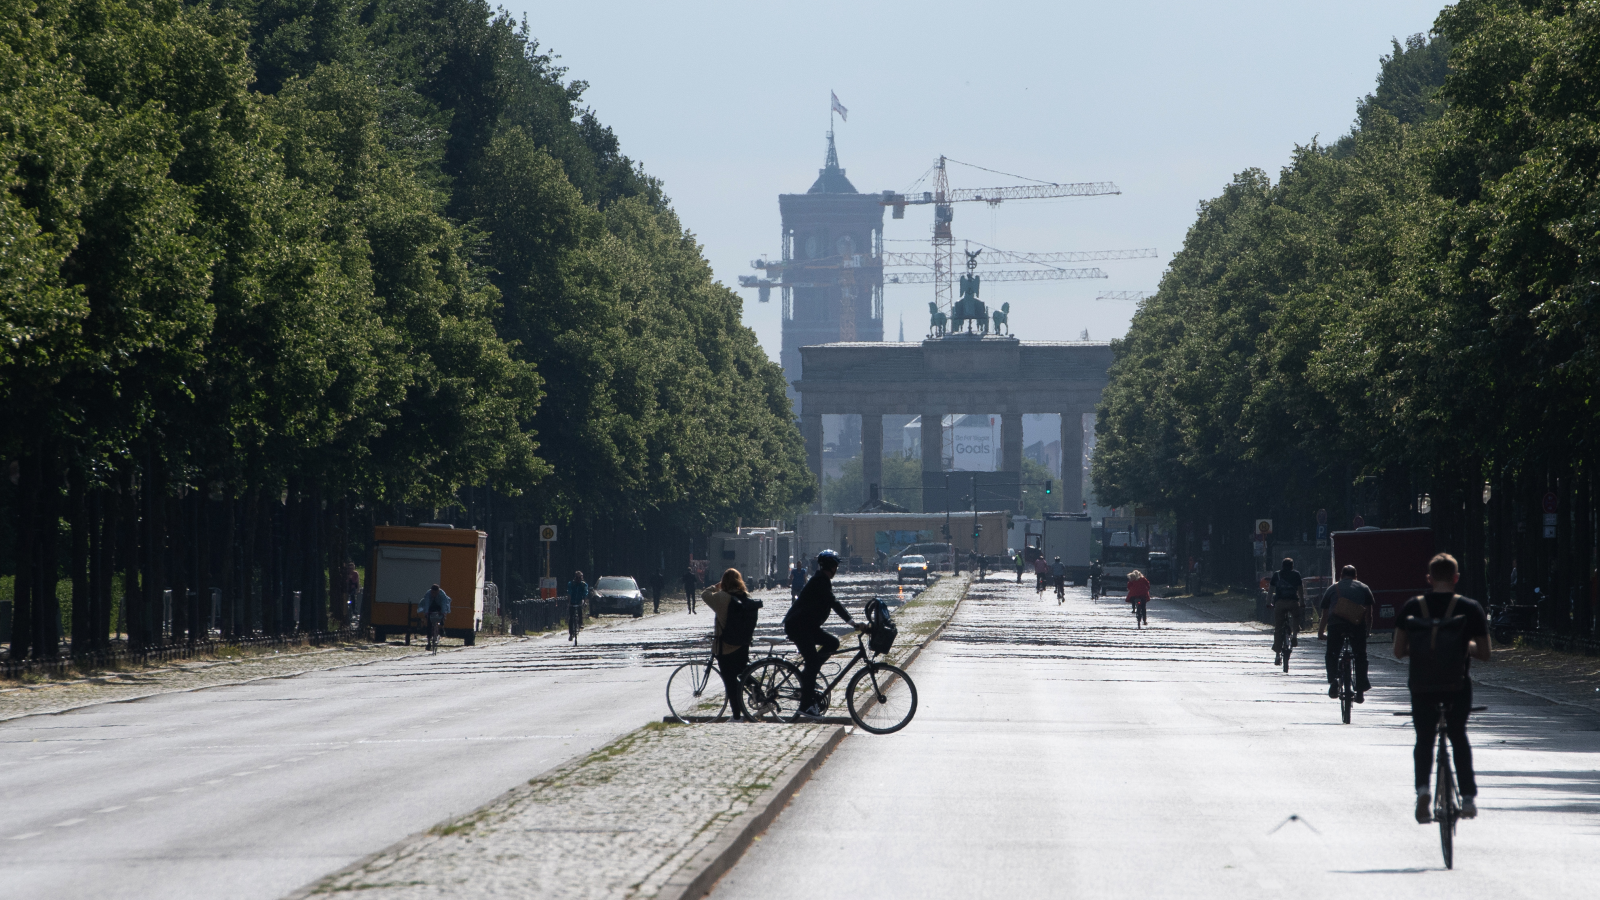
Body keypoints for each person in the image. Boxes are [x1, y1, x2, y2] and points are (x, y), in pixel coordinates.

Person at [1395, 553, 1490, 824]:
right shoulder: (1470, 608)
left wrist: (1424, 647)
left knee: (1424, 739)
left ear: (1429, 578)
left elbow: (1398, 651)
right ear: (1456, 578)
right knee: (1458, 737)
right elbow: (1485, 653)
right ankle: (1468, 798)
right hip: (1456, 685)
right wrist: (1463, 646)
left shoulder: (1413, 606)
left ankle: (1423, 790)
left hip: (1421, 685)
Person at [784, 550, 868, 718]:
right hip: (798, 627)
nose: (836, 569)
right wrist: (852, 623)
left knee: (832, 643)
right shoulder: (819, 581)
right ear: (830, 567)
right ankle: (805, 706)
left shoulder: (823, 580)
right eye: (835, 566)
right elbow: (834, 603)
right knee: (813, 661)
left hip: (808, 626)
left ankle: (809, 675)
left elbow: (831, 602)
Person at [703, 569, 760, 722]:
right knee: (743, 673)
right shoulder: (746, 597)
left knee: (730, 682)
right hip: (743, 644)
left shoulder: (722, 597)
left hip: (725, 646)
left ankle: (737, 715)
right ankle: (759, 693)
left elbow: (705, 595)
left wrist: (716, 586)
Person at [1318, 564, 1374, 702]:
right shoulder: (1364, 588)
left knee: (1332, 653)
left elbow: (1325, 614)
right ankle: (1360, 690)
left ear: (1341, 575)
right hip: (1356, 626)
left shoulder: (1332, 588)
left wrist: (1321, 632)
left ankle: (1333, 680)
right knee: (1360, 655)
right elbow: (1368, 614)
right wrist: (1367, 631)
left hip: (1336, 626)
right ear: (1356, 576)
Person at [1269, 557, 1305, 662]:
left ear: (1282, 566)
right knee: (1296, 617)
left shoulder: (1277, 575)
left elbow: (1271, 590)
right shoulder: (1296, 574)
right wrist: (1302, 602)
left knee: (1278, 627)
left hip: (1279, 603)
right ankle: (1294, 635)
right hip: (1293, 602)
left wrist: (1268, 603)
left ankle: (1277, 654)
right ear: (1292, 566)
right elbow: (1300, 590)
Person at [418, 583, 451, 650]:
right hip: (431, 605)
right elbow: (426, 604)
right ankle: (428, 642)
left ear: (438, 591)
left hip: (439, 606)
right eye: (433, 593)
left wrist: (443, 613)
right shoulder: (428, 594)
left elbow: (444, 604)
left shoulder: (442, 594)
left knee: (442, 615)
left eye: (436, 593)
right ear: (431, 591)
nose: (434, 594)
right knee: (429, 623)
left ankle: (441, 627)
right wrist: (426, 613)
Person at [566, 571, 589, 640]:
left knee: (580, 611)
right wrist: (569, 603)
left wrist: (584, 602)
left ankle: (580, 623)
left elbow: (585, 593)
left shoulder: (584, 585)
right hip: (572, 601)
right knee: (571, 617)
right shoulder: (571, 584)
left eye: (580, 577)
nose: (578, 579)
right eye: (577, 577)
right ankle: (571, 633)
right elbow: (569, 592)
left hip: (579, 601)